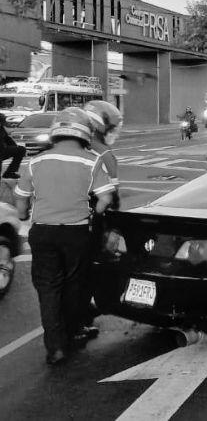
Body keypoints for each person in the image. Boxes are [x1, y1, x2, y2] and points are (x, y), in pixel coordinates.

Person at [13, 107, 114, 365]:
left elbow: (21, 198)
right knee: (72, 285)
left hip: (43, 233)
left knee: (48, 289)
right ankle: (70, 334)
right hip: (76, 233)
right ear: (84, 134)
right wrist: (93, 212)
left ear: (56, 133)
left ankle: (55, 347)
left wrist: (24, 215)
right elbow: (105, 197)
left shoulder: (36, 161)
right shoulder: (91, 161)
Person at [81, 99, 124, 339]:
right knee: (91, 269)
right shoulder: (104, 154)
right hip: (92, 220)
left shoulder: (63, 149)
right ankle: (83, 316)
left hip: (53, 221)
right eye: (110, 129)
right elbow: (112, 197)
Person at [0, 113, 26, 179]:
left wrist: (15, 147)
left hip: (2, 151)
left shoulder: (1, 129)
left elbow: (7, 139)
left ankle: (10, 172)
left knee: (21, 150)